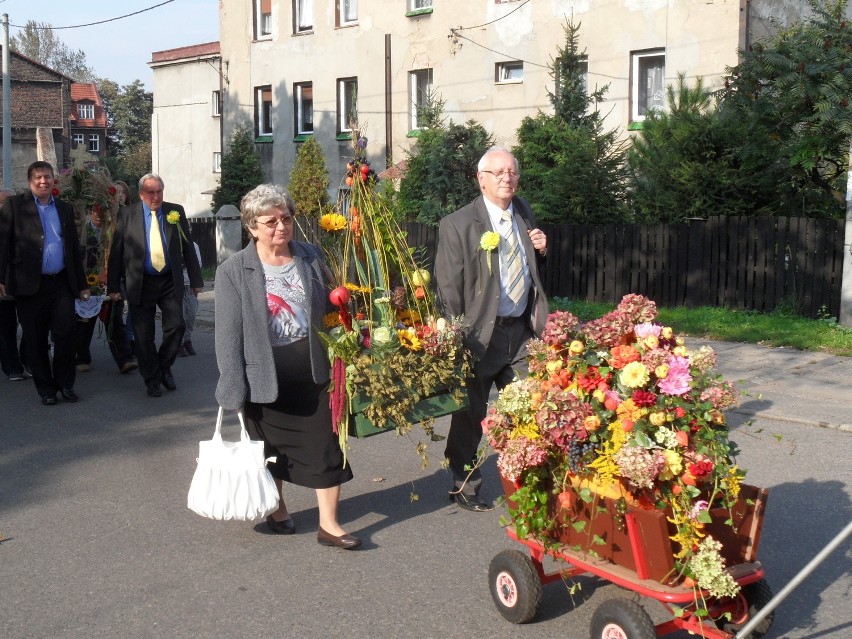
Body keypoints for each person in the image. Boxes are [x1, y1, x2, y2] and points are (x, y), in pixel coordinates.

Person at [215, 184, 360, 549]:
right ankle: (277, 511)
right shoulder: (234, 270)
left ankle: (330, 524)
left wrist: (351, 326)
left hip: (314, 372)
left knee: (326, 448)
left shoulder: (310, 255)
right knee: (270, 450)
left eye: (286, 218)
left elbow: (332, 305)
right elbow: (228, 334)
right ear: (252, 227)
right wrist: (232, 388)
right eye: (270, 222)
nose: (280, 227)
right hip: (264, 377)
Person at [434, 146, 549, 511]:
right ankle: (463, 482)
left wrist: (542, 250)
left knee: (531, 407)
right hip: (479, 334)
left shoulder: (524, 212)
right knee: (471, 413)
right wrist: (457, 335)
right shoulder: (458, 223)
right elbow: (448, 285)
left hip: (521, 332)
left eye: (512, 172)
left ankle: (530, 480)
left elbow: (528, 266)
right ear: (481, 180)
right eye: (498, 173)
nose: (507, 178)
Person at [0, 161, 90, 405]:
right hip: (29, 285)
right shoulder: (15, 206)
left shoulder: (63, 207)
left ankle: (65, 384)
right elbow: (3, 244)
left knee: (66, 335)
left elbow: (72, 248)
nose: (44, 181)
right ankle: (46, 390)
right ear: (30, 181)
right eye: (39, 177)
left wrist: (81, 284)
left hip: (60, 282)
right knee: (36, 338)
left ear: (53, 180)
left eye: (48, 177)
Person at [107, 174, 202, 397]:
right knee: (143, 334)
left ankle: (164, 365)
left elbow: (187, 247)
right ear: (141, 194)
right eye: (151, 192)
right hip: (140, 281)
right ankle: (152, 378)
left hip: (169, 280)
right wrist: (113, 285)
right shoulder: (127, 214)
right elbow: (117, 251)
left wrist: (197, 280)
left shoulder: (174, 211)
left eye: (159, 191)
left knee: (177, 326)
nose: (156, 196)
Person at [73, 207, 137, 374]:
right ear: (89, 212)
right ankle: (82, 358)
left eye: (103, 211)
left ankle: (125, 359)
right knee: (84, 324)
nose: (99, 215)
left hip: (112, 284)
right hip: (88, 284)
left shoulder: (114, 231)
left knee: (115, 322)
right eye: (95, 211)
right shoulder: (82, 232)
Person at [0, 188, 27, 382]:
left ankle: (28, 360)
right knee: (6, 328)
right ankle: (12, 367)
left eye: (9, 201)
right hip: (3, 287)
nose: (5, 205)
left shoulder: (25, 225)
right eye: (2, 202)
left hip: (25, 284)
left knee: (32, 325)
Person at [177, 239, 202, 357]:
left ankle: (187, 340)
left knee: (191, 314)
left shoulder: (193, 245)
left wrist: (197, 283)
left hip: (190, 285)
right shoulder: (172, 244)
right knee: (180, 315)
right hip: (176, 285)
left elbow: (198, 264)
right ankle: (179, 343)